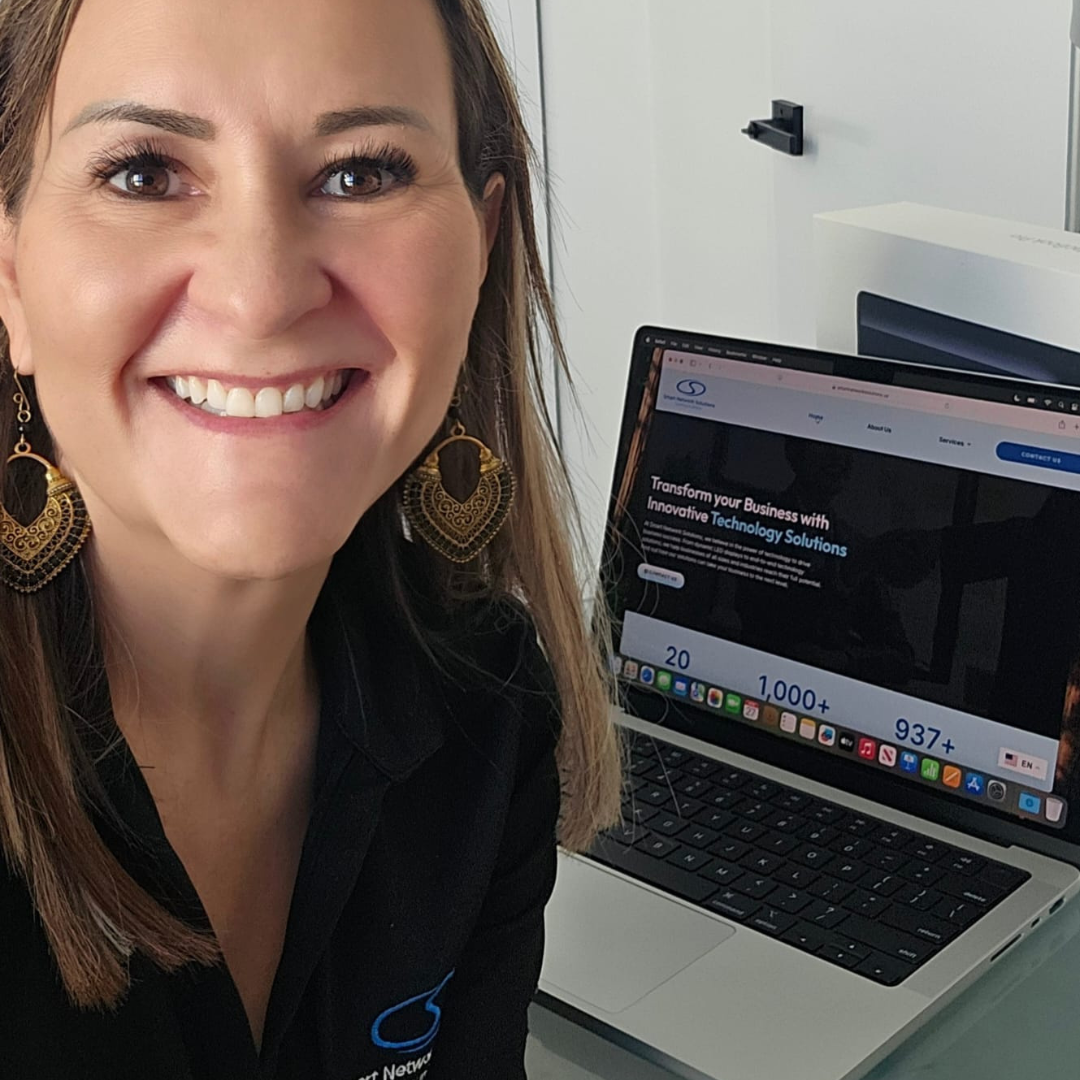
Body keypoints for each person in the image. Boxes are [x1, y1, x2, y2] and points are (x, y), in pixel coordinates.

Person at [0, 0, 621, 1077]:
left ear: (479, 250)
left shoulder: (488, 706)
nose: (260, 293)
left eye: (361, 171)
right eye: (145, 172)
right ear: (7, 274)